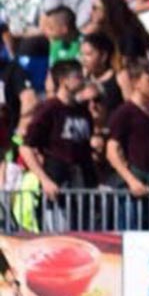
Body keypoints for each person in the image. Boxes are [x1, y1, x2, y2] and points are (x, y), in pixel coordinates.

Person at [20, 60, 98, 229]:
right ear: (64, 81)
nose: (83, 80)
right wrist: (45, 180)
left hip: (82, 182)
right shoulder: (50, 108)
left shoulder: (82, 110)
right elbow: (26, 147)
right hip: (58, 181)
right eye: (77, 76)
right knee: (59, 234)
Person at [107, 58, 149, 227]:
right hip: (135, 183)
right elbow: (112, 150)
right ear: (136, 82)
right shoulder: (124, 112)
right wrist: (131, 181)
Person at [79, 32, 123, 112]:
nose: (83, 59)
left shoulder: (120, 77)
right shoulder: (81, 79)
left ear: (103, 56)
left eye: (88, 54)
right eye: (82, 54)